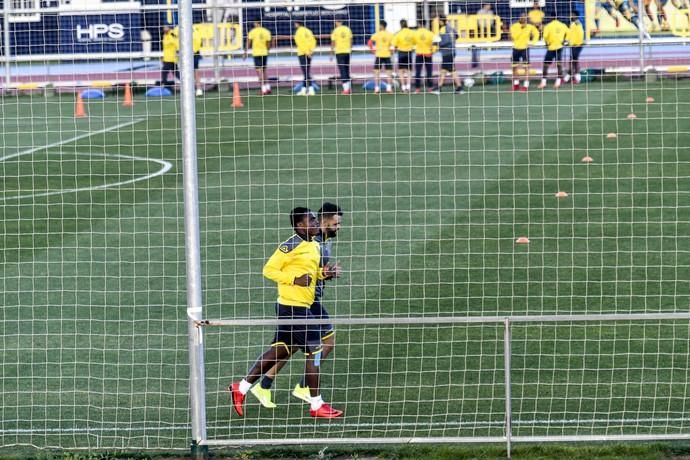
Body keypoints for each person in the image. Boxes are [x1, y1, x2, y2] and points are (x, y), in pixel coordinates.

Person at [229, 207, 343, 419]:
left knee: (280, 351)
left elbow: (308, 271)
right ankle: (316, 404)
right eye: (311, 220)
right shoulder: (291, 244)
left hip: (300, 306)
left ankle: (241, 387)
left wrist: (324, 274)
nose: (316, 223)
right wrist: (295, 280)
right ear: (300, 226)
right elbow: (269, 270)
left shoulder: (312, 244)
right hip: (293, 307)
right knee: (314, 351)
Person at [431, 15, 465, 94]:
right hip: (452, 51)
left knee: (450, 70)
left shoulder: (443, 29)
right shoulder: (451, 27)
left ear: (441, 21)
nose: (438, 23)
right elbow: (456, 35)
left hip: (447, 52)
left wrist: (436, 43)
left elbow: (445, 41)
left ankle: (459, 87)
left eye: (439, 21)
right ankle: (440, 87)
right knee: (445, 70)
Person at [510, 14, 539, 91]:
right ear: (519, 18)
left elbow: (537, 34)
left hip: (525, 49)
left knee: (526, 68)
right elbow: (513, 36)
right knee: (514, 67)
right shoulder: (514, 26)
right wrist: (521, 29)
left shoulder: (530, 27)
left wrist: (533, 42)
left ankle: (526, 86)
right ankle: (516, 84)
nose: (523, 19)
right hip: (516, 48)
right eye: (522, 17)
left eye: (525, 18)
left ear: (527, 19)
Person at [539, 16, 569, 89]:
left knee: (545, 65)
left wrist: (547, 43)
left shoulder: (548, 26)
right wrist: (565, 41)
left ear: (551, 18)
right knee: (559, 65)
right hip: (559, 47)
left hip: (551, 48)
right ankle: (558, 83)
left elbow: (545, 37)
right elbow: (569, 33)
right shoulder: (563, 25)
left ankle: (543, 83)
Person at [246, 20, 272, 95]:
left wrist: (245, 52)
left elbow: (249, 42)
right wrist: (267, 50)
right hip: (264, 53)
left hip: (257, 53)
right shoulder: (266, 31)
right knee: (264, 70)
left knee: (259, 71)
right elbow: (269, 42)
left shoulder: (252, 32)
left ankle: (263, 89)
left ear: (256, 23)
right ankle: (268, 87)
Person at [368, 20, 395, 94]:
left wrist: (372, 50)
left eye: (379, 25)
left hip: (379, 55)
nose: (378, 27)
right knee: (389, 73)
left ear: (381, 26)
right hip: (387, 55)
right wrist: (392, 52)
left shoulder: (377, 34)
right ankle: (389, 89)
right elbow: (393, 45)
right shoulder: (390, 34)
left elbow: (369, 42)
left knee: (376, 72)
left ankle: (376, 89)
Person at [294, 21, 317, 96]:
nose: (295, 25)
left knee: (305, 72)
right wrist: (311, 51)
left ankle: (311, 89)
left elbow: (300, 44)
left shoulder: (298, 32)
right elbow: (314, 41)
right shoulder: (308, 31)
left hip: (302, 53)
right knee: (306, 71)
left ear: (298, 24)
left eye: (295, 23)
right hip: (309, 53)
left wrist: (307, 52)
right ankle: (303, 90)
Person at [392, 19, 415, 93]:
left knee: (401, 71)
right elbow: (415, 42)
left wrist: (394, 50)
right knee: (409, 71)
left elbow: (394, 45)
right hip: (409, 53)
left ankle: (403, 87)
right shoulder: (411, 32)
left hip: (401, 53)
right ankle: (408, 87)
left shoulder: (398, 33)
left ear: (400, 25)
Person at [331, 20, 353, 95]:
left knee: (342, 70)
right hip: (347, 51)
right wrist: (350, 49)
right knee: (346, 69)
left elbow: (333, 42)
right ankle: (349, 88)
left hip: (339, 52)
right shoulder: (347, 29)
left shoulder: (335, 31)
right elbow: (351, 40)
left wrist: (331, 53)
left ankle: (346, 89)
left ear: (337, 22)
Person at [413, 20, 436, 93]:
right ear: (425, 24)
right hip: (428, 54)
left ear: (419, 24)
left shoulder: (415, 33)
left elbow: (412, 43)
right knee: (429, 71)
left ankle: (417, 89)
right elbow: (435, 43)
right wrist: (433, 51)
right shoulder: (430, 33)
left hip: (419, 54)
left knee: (418, 72)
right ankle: (430, 88)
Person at [565, 13, 585, 84]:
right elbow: (570, 34)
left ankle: (575, 78)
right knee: (572, 61)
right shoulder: (572, 24)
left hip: (577, 45)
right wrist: (567, 41)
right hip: (573, 45)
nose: (570, 16)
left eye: (572, 15)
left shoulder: (577, 23)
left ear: (576, 16)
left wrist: (578, 43)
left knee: (574, 61)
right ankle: (570, 78)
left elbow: (580, 33)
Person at [192, 26, 203, 96]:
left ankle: (198, 89)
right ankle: (191, 89)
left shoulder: (195, 31)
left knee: (195, 71)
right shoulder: (180, 29)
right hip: (186, 54)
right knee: (188, 72)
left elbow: (199, 41)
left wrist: (194, 50)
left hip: (194, 54)